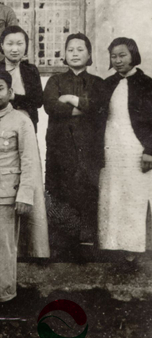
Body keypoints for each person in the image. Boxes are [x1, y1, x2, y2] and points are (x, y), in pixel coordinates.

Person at [0, 68, 46, 305]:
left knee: (4, 246)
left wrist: (24, 195)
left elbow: (29, 161)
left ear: (10, 91)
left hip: (6, 194)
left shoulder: (21, 121)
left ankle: (4, 296)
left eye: (0, 89)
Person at [43, 33, 105, 257]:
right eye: (70, 50)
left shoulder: (98, 83)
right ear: (64, 54)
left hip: (88, 150)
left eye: (80, 49)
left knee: (88, 194)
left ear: (89, 54)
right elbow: (51, 106)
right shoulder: (55, 81)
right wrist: (85, 108)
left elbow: (100, 108)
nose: (75, 54)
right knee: (60, 194)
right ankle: (62, 249)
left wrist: (69, 99)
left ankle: (87, 250)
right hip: (61, 148)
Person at [98, 37, 152, 261]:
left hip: (135, 147)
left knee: (133, 195)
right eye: (114, 56)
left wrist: (150, 150)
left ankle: (132, 249)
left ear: (133, 55)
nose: (118, 60)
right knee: (112, 194)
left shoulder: (147, 84)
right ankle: (112, 245)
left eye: (122, 55)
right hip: (111, 145)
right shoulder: (107, 84)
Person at [0, 26, 43, 128]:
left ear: (26, 46)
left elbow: (38, 101)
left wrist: (13, 97)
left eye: (19, 44)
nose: (15, 49)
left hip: (26, 124)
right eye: (10, 44)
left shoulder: (31, 70)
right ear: (2, 45)